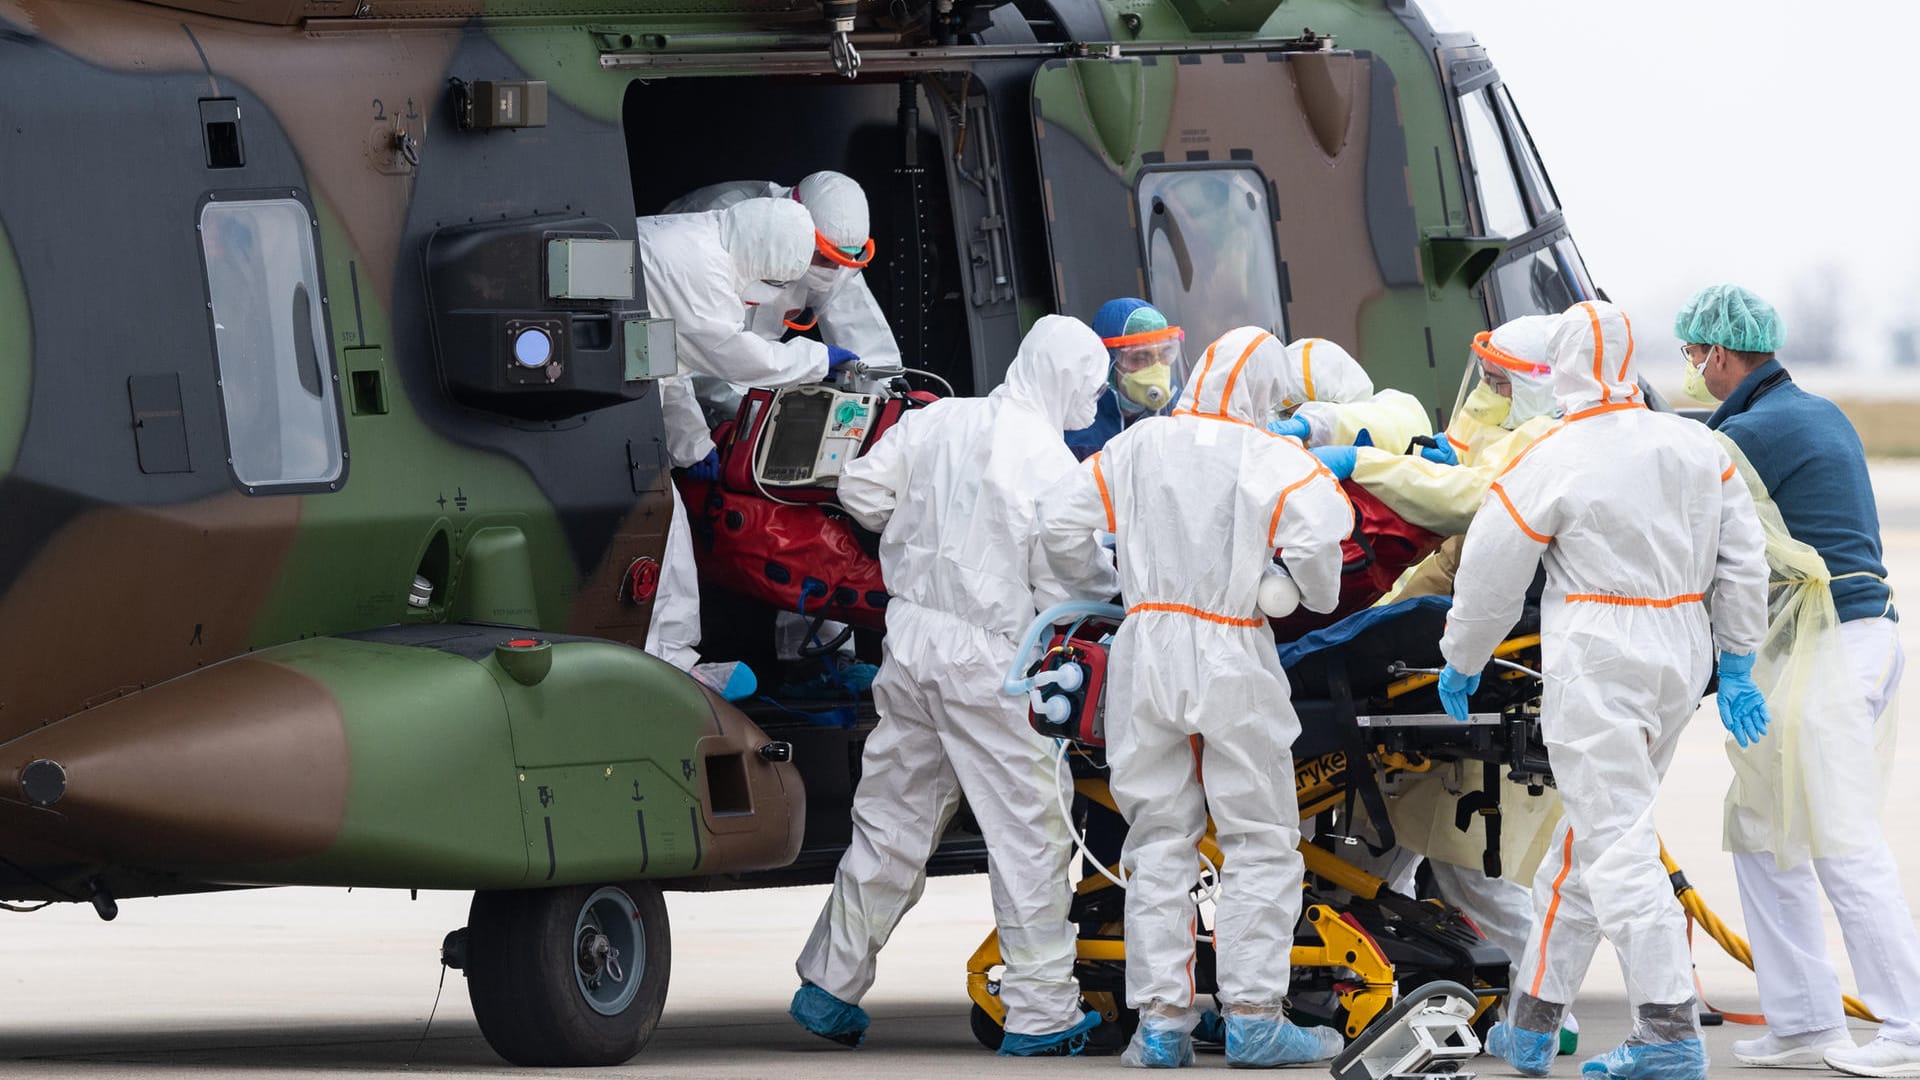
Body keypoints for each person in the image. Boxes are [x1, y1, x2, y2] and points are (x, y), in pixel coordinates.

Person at [1437, 300, 1769, 1080]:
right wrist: (1740, 660)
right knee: (1584, 843)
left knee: (1615, 844)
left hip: (1598, 657)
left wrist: (1463, 656)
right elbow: (1743, 559)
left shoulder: (1555, 452)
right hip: (1678, 657)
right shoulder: (1696, 444)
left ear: (1563, 367)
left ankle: (1666, 1030)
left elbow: (1489, 570)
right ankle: (1532, 1020)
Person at [789, 315, 1119, 1057]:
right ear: (1066, 380)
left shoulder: (940, 422)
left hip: (909, 646)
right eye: (1089, 389)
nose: (1091, 404)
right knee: (1029, 835)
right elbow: (1071, 576)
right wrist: (1117, 584)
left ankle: (827, 985)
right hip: (992, 666)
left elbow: (861, 487)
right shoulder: (1052, 466)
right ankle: (1041, 1015)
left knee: (890, 822)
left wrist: (914, 531)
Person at [1040, 326, 1354, 1068]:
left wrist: (1105, 584)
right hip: (1230, 650)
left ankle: (1162, 1027)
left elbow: (1057, 521)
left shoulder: (1138, 446)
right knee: (1259, 837)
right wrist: (1294, 593)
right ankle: (1252, 1018)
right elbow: (1320, 552)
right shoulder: (1274, 457)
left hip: (1144, 650)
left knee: (1156, 841)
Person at [1678, 283, 1920, 1075]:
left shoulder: (1753, 431)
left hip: (1833, 649)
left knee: (1839, 838)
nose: (1691, 369)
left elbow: (1688, 500)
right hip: (1841, 644)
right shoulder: (1811, 411)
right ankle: (1805, 1020)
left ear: (1721, 353)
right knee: (1762, 835)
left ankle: (1909, 1026)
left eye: (1693, 354)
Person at [633, 198, 850, 681]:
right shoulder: (701, 269)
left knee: (666, 533)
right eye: (772, 283)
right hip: (600, 405)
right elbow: (731, 355)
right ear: (760, 255)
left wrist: (694, 445)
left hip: (616, 384)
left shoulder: (696, 241)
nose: (764, 296)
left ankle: (667, 663)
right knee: (663, 533)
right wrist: (818, 361)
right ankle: (669, 672)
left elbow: (666, 364)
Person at [664, 170, 898, 395]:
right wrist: (751, 407)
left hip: (750, 372)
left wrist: (884, 386)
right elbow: (714, 348)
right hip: (684, 364)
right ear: (798, 231)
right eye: (825, 258)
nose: (833, 271)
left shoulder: (836, 248)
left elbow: (859, 325)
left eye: (843, 260)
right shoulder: (731, 224)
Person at [1063, 297, 1188, 460]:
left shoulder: (1179, 410)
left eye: (1165, 353)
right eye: (1141, 357)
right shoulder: (1080, 434)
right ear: (1109, 362)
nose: (1157, 369)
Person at [1265, 336, 1432, 455]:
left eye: (1310, 410)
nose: (1295, 421)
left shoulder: (1396, 413)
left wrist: (1318, 424)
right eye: (1287, 415)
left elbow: (1402, 426)